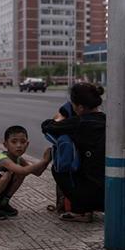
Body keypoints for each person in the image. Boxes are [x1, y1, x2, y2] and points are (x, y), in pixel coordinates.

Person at [41, 83, 106, 222]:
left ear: (81, 107)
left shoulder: (78, 123)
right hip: (109, 195)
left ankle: (81, 211)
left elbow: (47, 127)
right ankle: (84, 207)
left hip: (92, 195)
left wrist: (61, 115)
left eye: (74, 105)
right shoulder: (107, 120)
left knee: (58, 168)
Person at [0, 126, 51, 220]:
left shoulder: (18, 159)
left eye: (23, 142)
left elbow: (37, 172)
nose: (19, 145)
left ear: (27, 144)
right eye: (14, 142)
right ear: (5, 144)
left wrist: (47, 160)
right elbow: (24, 170)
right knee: (6, 175)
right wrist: (42, 161)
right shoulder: (4, 160)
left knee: (20, 174)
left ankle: (3, 204)